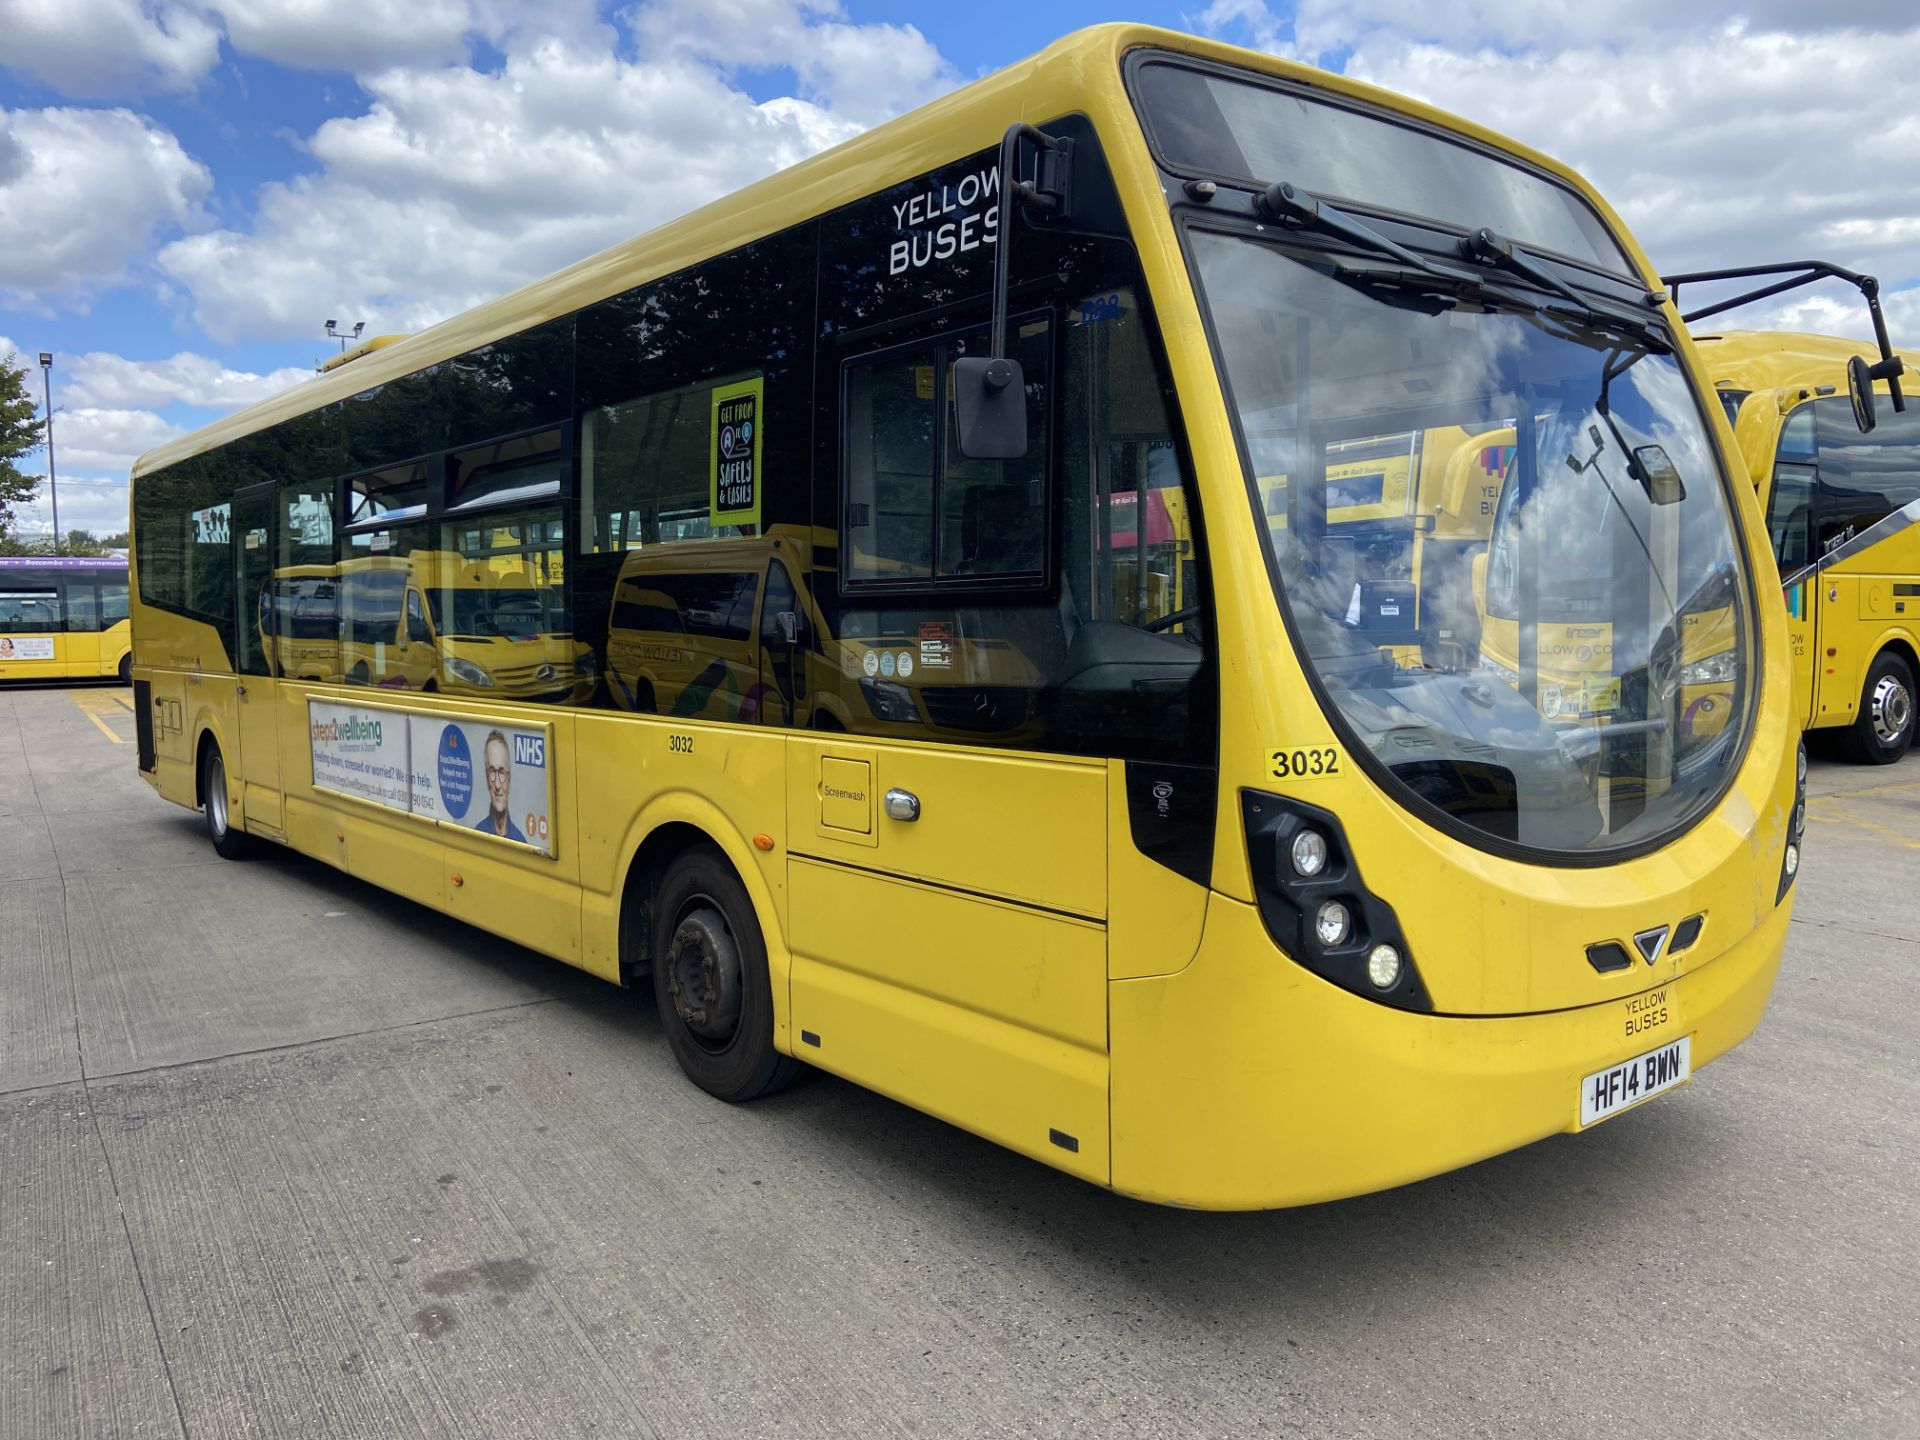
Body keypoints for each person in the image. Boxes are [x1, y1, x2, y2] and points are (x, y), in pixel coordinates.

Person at [474, 729, 526, 842]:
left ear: (509, 779)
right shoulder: (477, 835)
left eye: (502, 772)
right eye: (492, 772)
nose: (497, 784)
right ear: (486, 778)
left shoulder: (521, 841)